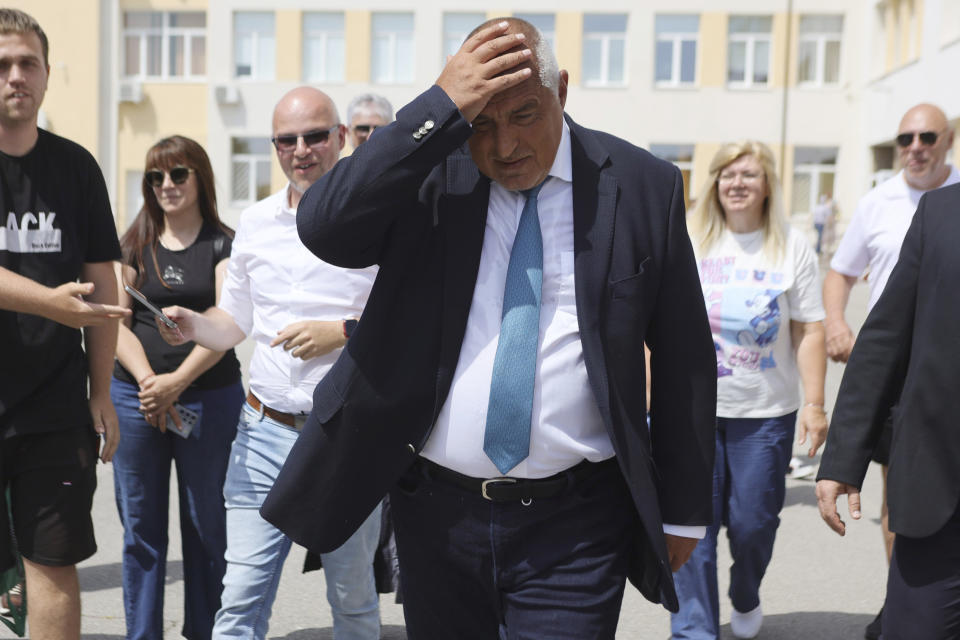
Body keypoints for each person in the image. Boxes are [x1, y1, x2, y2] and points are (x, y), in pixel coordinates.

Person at [262, 19, 717, 639]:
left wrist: (685, 511)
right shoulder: (431, 176)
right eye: (482, 123)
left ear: (561, 88)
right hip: (437, 518)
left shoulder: (641, 185)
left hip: (578, 525)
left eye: (525, 114)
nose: (505, 146)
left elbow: (683, 352)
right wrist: (440, 107)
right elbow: (325, 226)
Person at [157, 87, 381, 640]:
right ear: (274, 147)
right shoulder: (254, 222)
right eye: (287, 140)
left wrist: (342, 333)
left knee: (352, 601)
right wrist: (195, 325)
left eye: (314, 136)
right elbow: (233, 321)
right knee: (239, 602)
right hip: (264, 432)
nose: (301, 150)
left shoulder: (378, 218)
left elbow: (411, 323)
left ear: (341, 138)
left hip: (346, 437)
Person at [0, 8, 128, 640]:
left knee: (53, 566)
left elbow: (103, 285)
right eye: (2, 65)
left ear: (48, 75)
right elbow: (67, 299)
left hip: (54, 410)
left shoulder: (76, 167)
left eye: (28, 63)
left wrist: (100, 391)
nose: (15, 76)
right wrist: (50, 302)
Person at [672, 141, 828, 640]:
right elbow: (660, 323)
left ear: (767, 187)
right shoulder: (690, 238)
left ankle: (746, 591)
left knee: (753, 524)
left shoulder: (791, 244)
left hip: (764, 414)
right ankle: (694, 628)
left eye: (749, 175)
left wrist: (816, 404)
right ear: (714, 183)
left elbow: (808, 329)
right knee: (691, 527)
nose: (737, 183)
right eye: (727, 174)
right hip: (693, 411)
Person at [822, 102, 957, 640]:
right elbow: (882, 339)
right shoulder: (941, 215)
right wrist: (843, 457)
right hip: (942, 494)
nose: (916, 146)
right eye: (906, 138)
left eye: (928, 136)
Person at [111, 135, 244, 640]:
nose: (166, 185)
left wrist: (177, 381)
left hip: (207, 398)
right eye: (155, 177)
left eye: (178, 174)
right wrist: (150, 382)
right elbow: (112, 322)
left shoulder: (223, 243)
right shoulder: (131, 244)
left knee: (207, 523)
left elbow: (229, 319)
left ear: (200, 178)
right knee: (141, 529)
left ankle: (205, 632)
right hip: (135, 397)